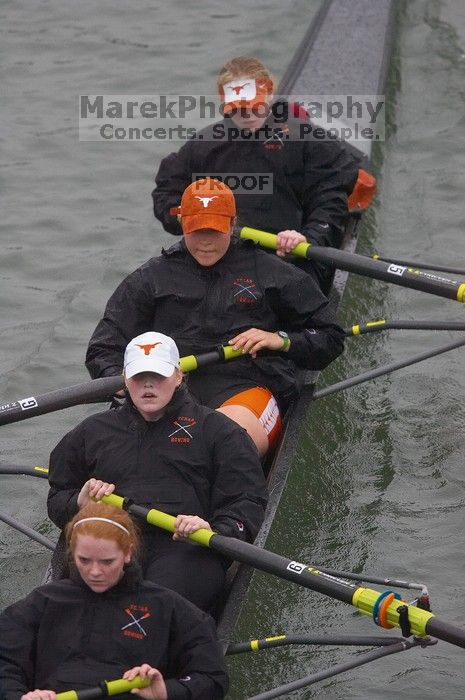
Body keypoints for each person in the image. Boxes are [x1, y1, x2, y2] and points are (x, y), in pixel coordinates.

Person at [85, 178, 345, 457]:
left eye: (215, 230)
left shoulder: (272, 273)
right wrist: (121, 380)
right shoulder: (150, 279)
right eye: (197, 231)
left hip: (246, 386)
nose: (206, 242)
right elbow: (103, 347)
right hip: (169, 390)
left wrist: (280, 340)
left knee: (222, 450)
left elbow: (331, 336)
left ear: (233, 224)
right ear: (182, 222)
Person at [48, 331, 267, 614]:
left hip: (187, 548)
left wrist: (214, 530)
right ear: (125, 379)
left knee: (148, 613)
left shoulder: (219, 432)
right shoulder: (90, 433)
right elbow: (56, 499)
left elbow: (247, 504)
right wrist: (79, 502)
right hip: (112, 542)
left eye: (159, 376)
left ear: (179, 376)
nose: (148, 385)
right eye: (139, 377)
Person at [152, 55, 366, 289]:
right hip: (225, 255)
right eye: (238, 109)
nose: (247, 116)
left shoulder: (307, 139)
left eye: (254, 106)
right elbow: (167, 195)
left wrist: (310, 237)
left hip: (292, 253)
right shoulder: (204, 146)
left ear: (270, 94)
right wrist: (191, 217)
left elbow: (331, 199)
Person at [0, 501, 228, 700]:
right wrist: (19, 695)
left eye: (107, 562)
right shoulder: (42, 602)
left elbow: (213, 678)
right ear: (72, 553)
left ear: (128, 553)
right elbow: (5, 662)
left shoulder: (168, 606)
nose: (95, 572)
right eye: (84, 560)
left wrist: (167, 691)